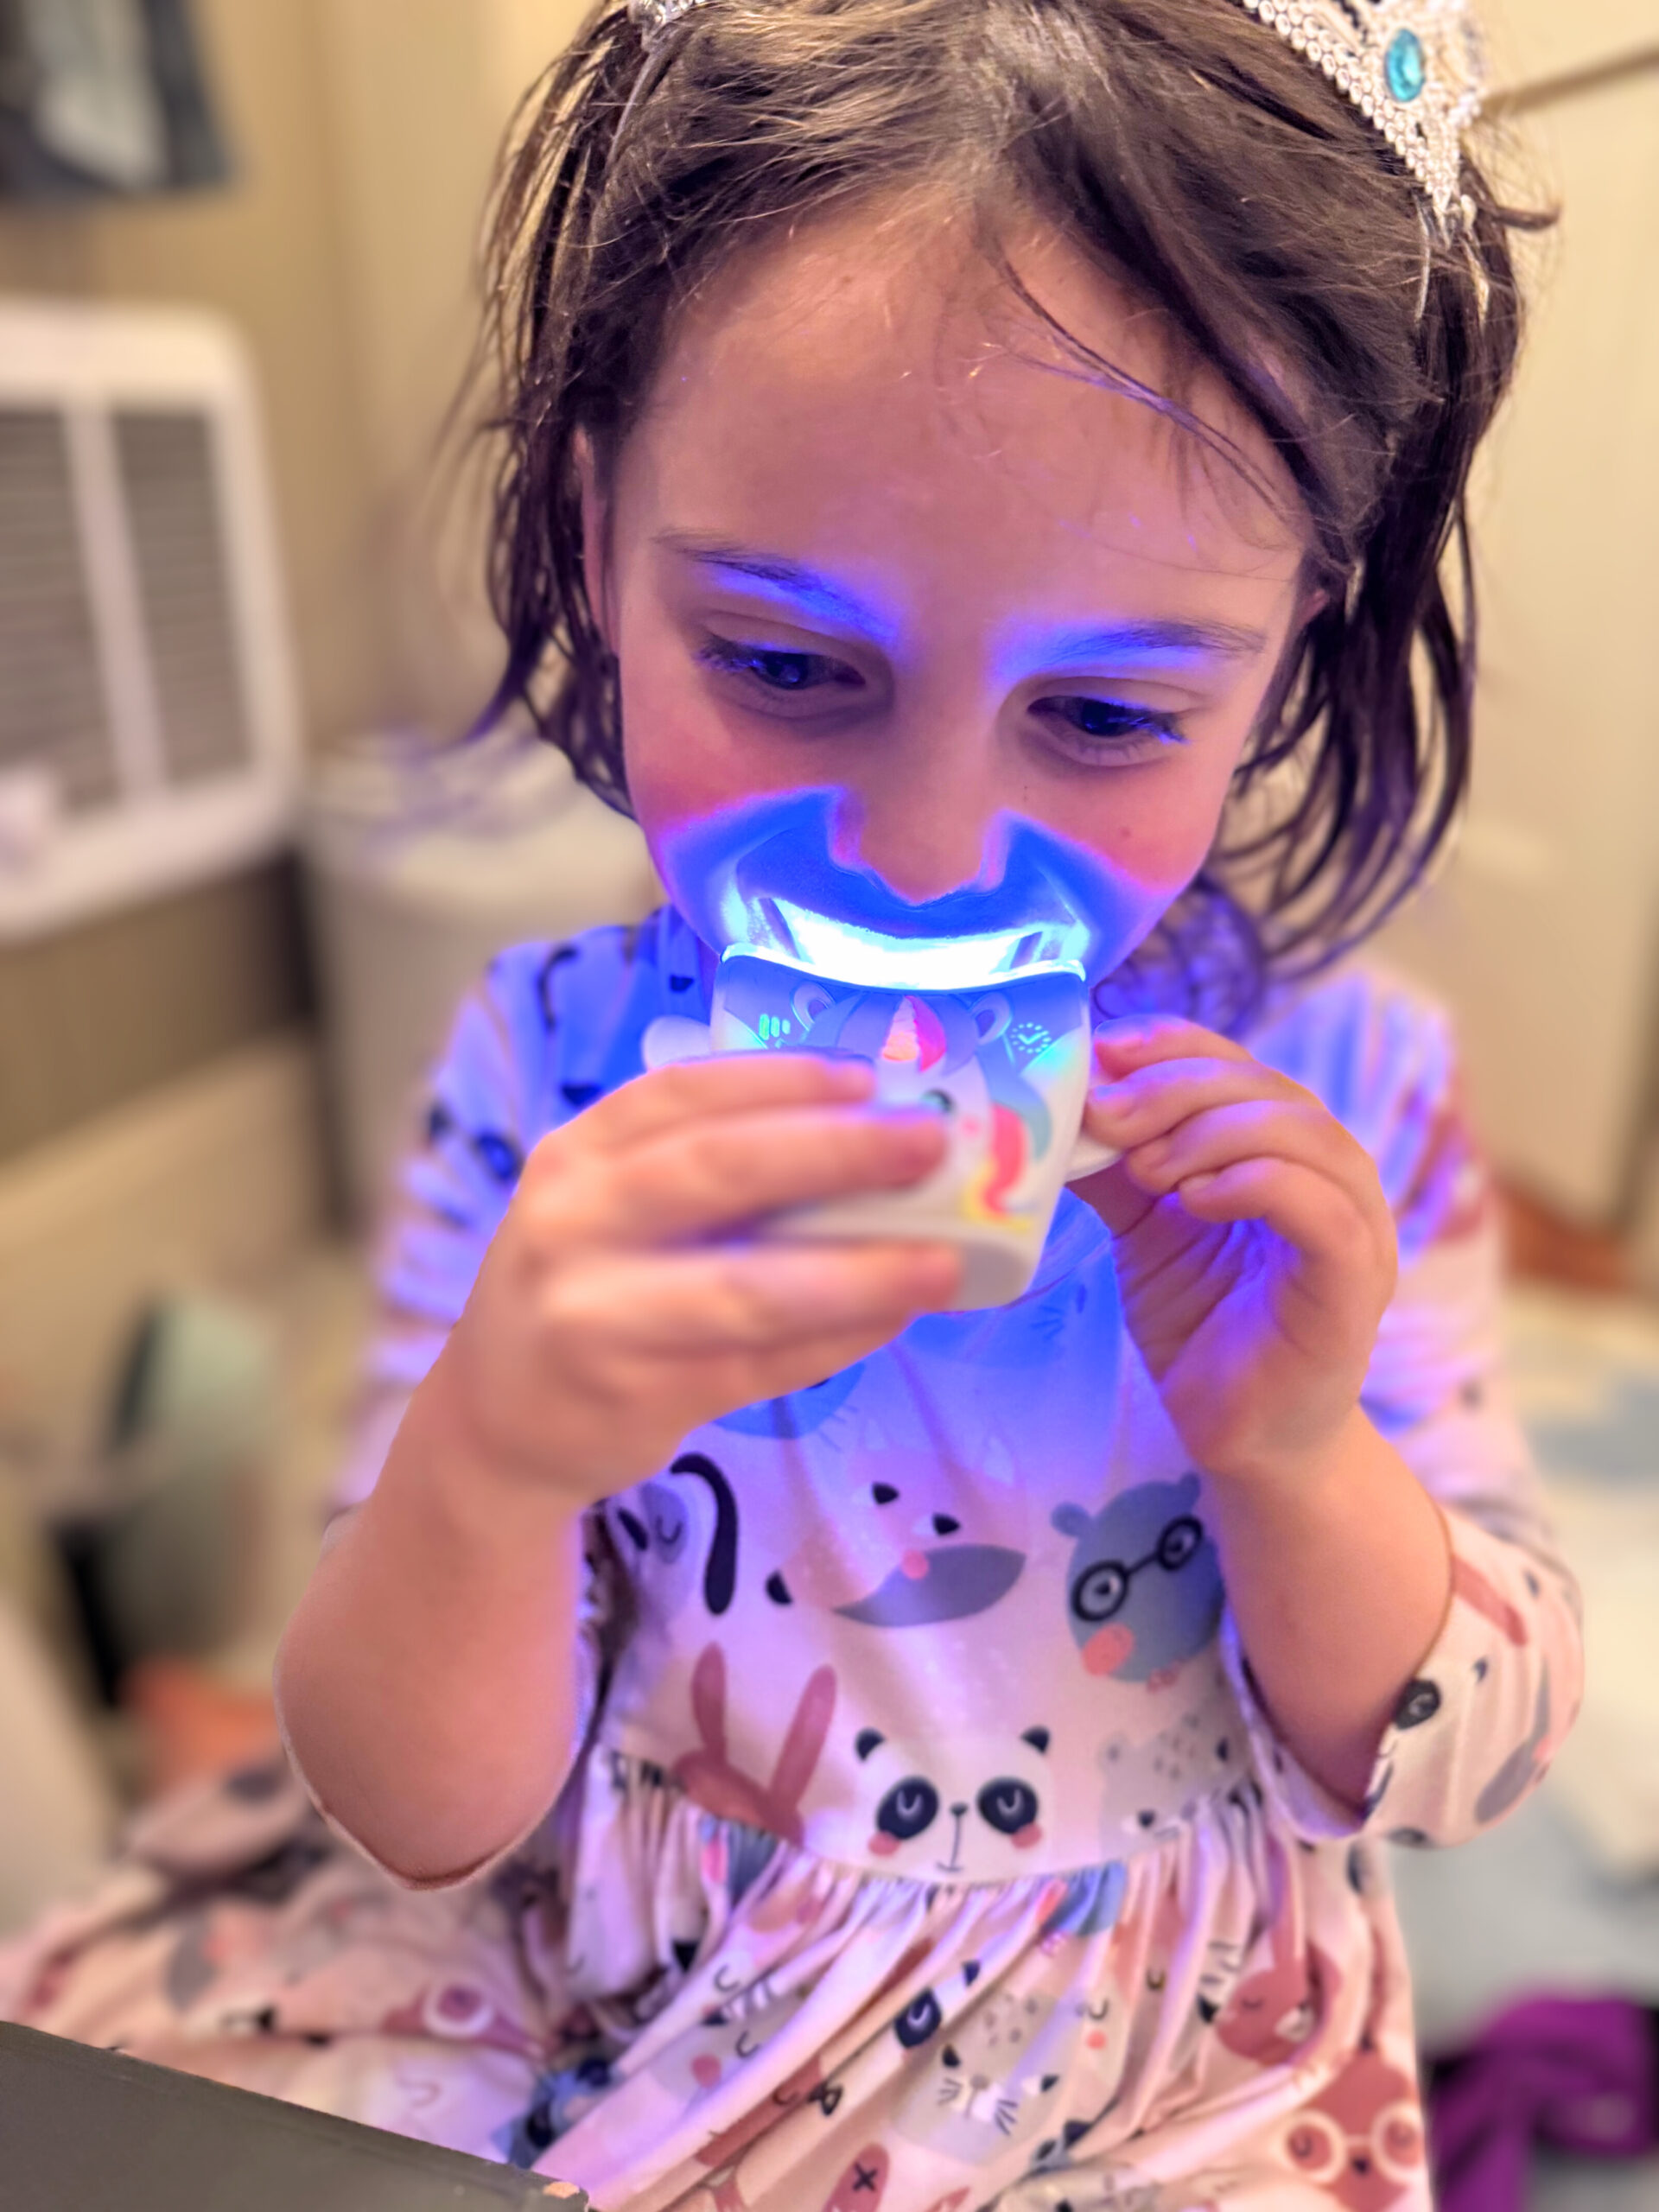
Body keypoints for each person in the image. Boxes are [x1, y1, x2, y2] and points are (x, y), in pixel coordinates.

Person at [3, 1, 1584, 2205]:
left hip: (1158, 2044)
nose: (929, 855)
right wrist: (486, 1466)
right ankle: (180, 1692)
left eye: (1110, 711)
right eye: (785, 663)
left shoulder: (1345, 1096)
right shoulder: (543, 1060)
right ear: (596, 530)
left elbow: (1470, 1750)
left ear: (1292, 646)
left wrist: (1295, 1450)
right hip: (635, 1986)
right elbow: (424, 1797)